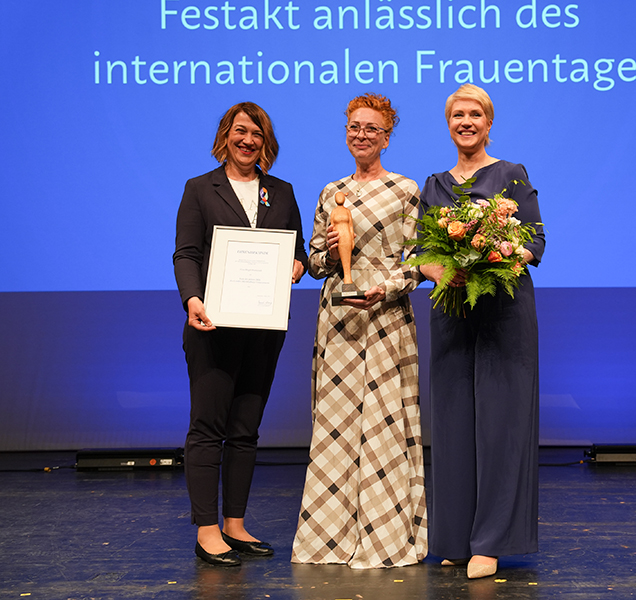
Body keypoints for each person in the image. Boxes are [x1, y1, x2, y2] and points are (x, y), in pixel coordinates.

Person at [291, 93, 427, 569]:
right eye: (354, 126)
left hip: (386, 318)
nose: (362, 134)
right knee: (337, 428)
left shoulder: (406, 190)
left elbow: (419, 262)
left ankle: (386, 539)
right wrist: (328, 250)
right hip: (339, 317)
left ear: (387, 136)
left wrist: (386, 289)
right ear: (345, 132)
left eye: (372, 128)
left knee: (386, 425)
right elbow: (314, 263)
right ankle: (328, 541)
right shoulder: (332, 192)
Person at [418, 84, 546, 579]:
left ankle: (490, 542)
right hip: (451, 311)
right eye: (457, 115)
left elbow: (534, 239)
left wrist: (499, 255)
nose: (466, 122)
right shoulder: (433, 185)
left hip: (504, 315)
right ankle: (454, 538)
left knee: (500, 425)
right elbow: (421, 251)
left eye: (475, 114)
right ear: (448, 124)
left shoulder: (511, 175)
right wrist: (440, 271)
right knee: (451, 427)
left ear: (489, 123)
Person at [174, 101, 308, 567]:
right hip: (212, 327)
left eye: (257, 133)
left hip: (264, 328)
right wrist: (193, 300)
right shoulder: (200, 189)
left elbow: (299, 251)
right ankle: (207, 530)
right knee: (208, 428)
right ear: (225, 136)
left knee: (246, 430)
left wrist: (297, 264)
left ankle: (235, 523)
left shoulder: (282, 191)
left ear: (266, 141)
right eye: (240, 131)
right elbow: (186, 254)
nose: (248, 140)